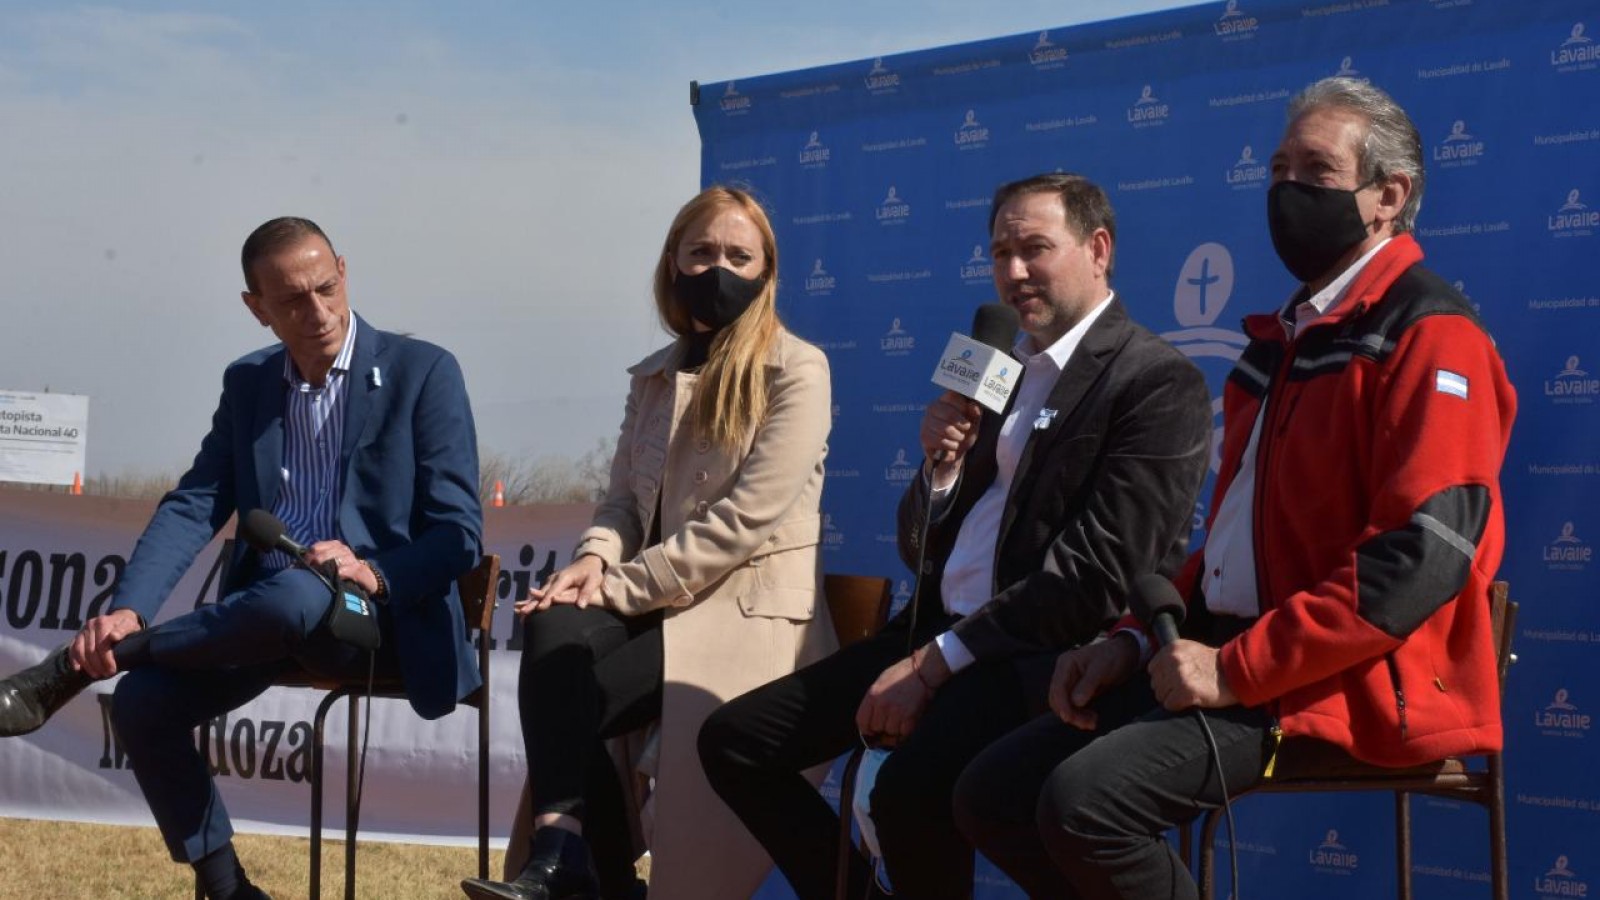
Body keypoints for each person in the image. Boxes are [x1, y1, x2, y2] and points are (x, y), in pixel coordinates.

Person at [953, 76, 1517, 898]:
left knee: (1085, 803)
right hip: (1248, 666)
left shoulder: (1432, 334)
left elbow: (1423, 556)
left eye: (1314, 171)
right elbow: (1231, 552)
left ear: (1388, 196)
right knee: (992, 793)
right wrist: (1130, 642)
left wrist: (1239, 670)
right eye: (1277, 168)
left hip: (1341, 688)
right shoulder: (1279, 344)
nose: (1286, 190)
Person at [698, 173, 1212, 900]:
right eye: (1001, 253)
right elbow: (922, 549)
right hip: (940, 631)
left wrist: (935, 667)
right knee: (736, 743)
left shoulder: (1155, 381)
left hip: (1042, 654)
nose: (1014, 272)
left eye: (1035, 248)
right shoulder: (999, 375)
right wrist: (939, 469)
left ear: (1099, 250)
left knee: (910, 787)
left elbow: (1098, 576)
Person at [0, 217, 483, 899]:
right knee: (142, 702)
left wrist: (375, 570)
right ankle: (226, 887)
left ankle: (74, 670)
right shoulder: (249, 382)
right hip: (265, 625)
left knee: (298, 592)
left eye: (325, 287)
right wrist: (128, 608)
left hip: (378, 623)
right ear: (256, 308)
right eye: (290, 301)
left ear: (344, 271)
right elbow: (195, 503)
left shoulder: (422, 372)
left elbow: (460, 533)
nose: (316, 312)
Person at [460, 186, 836, 900]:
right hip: (660, 602)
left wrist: (618, 585)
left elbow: (745, 520)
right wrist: (594, 558)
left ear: (765, 271)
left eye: (737, 255)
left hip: (746, 613)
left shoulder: (798, 369)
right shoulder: (654, 375)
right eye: (700, 252)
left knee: (574, 699)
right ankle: (565, 855)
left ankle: (585, 871)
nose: (717, 268)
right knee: (552, 626)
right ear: (672, 264)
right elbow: (624, 501)